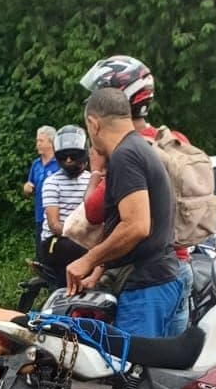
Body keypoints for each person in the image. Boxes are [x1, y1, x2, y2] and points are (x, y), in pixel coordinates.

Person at [78, 55, 192, 333]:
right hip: (164, 276)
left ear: (94, 124)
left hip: (147, 286)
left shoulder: (125, 156)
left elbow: (137, 226)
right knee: (160, 374)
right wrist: (101, 267)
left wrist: (88, 258)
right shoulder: (138, 147)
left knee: (133, 372)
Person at [39, 124, 92, 282]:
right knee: (86, 252)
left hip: (86, 236)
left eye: (73, 156)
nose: (68, 161)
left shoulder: (91, 180)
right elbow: (54, 224)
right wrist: (83, 237)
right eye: (63, 157)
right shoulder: (51, 183)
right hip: (56, 240)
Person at [23, 126, 59, 259]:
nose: (38, 144)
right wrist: (26, 188)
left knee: (56, 252)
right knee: (41, 253)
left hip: (57, 216)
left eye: (41, 141)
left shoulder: (60, 163)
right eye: (37, 141)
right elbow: (30, 185)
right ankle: (42, 278)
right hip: (40, 216)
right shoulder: (36, 164)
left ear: (51, 142)